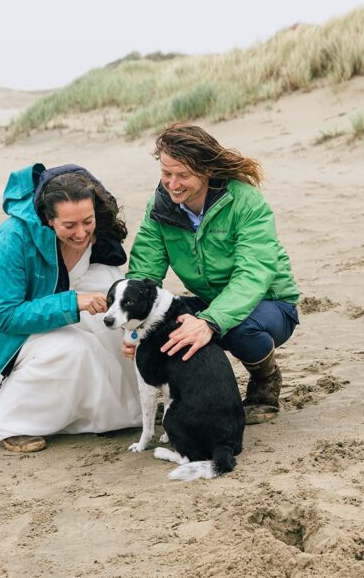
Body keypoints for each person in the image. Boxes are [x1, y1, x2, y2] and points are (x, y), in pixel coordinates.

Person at [0, 164, 141, 453]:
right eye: (69, 226)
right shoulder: (14, 237)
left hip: (53, 304)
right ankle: (13, 421)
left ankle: (126, 408)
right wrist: (73, 303)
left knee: (114, 300)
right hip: (4, 331)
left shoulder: (97, 228)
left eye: (87, 221)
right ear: (48, 219)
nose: (81, 233)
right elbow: (6, 316)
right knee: (75, 347)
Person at [125, 124, 300, 424]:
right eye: (166, 174)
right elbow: (144, 276)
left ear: (206, 171)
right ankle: (195, 394)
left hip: (271, 304)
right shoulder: (159, 208)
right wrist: (134, 324)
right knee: (166, 322)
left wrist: (208, 322)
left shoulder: (245, 201)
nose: (172, 184)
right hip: (210, 300)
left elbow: (253, 274)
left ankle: (265, 378)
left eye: (182, 175)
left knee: (238, 328)